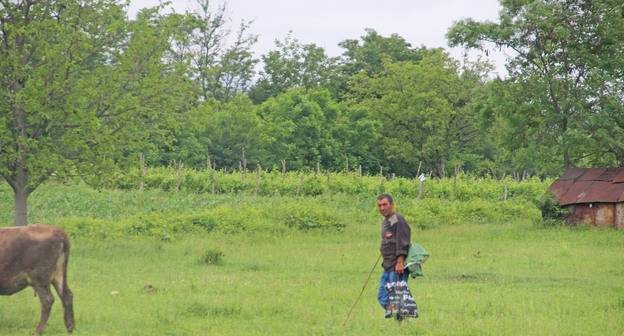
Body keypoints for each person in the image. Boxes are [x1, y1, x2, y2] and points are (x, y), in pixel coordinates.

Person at [376, 193, 411, 310]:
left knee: (398, 298)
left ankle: (402, 322)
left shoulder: (397, 219)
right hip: (387, 265)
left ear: (392, 204)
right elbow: (391, 240)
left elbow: (403, 240)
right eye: (379, 205)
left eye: (385, 204)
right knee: (383, 296)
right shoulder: (387, 220)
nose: (382, 208)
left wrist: (400, 262)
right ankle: (397, 314)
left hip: (396, 267)